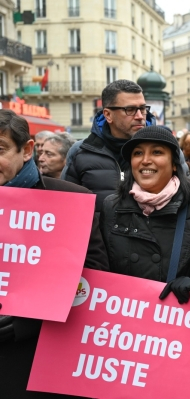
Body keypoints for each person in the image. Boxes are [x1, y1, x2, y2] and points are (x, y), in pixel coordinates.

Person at [0, 109, 108, 398]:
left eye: (0, 149)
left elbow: (92, 279)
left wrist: (30, 320)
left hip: (35, 361)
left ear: (26, 151)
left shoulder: (71, 200)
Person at [100, 126, 190, 306]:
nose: (145, 160)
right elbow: (97, 268)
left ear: (174, 164)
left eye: (156, 152)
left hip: (172, 324)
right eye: (138, 153)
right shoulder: (111, 206)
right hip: (122, 324)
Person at [62, 80, 154, 214]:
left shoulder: (167, 150)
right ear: (108, 115)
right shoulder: (80, 151)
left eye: (143, 109)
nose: (140, 116)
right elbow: (66, 206)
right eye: (130, 110)